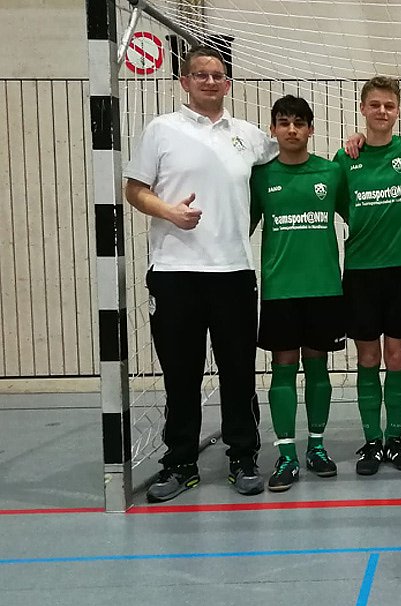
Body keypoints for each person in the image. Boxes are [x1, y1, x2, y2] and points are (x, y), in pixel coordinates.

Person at [124, 45, 277, 502]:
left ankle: (243, 458)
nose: (211, 81)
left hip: (234, 272)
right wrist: (168, 212)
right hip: (175, 273)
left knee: (238, 373)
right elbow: (134, 189)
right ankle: (180, 463)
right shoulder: (161, 130)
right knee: (181, 375)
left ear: (227, 83)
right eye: (201, 74)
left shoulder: (248, 136)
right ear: (185, 81)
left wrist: (352, 142)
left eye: (218, 75)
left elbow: (292, 151)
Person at [333, 76, 401, 476]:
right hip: (361, 272)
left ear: (398, 110)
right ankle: (371, 442)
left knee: (396, 357)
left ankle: (394, 440)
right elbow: (341, 203)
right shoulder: (346, 157)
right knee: (368, 357)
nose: (382, 111)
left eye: (389, 105)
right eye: (375, 104)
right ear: (363, 108)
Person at [249, 96, 343, 492]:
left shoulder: (332, 172)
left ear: (310, 129)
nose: (291, 129)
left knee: (318, 367)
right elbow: (240, 227)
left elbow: (361, 217)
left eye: (299, 123)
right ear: (272, 129)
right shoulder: (260, 176)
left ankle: (316, 447)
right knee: (283, 366)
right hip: (280, 289)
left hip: (324, 287)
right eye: (284, 122)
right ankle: (286, 455)